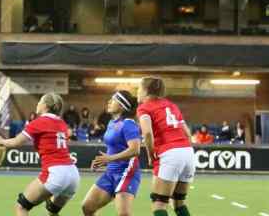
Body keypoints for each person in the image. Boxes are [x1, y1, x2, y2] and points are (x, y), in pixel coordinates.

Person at [0, 93, 79, 216]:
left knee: (21, 207)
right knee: (52, 211)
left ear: (45, 105)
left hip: (55, 172)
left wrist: (0, 141)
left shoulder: (38, 122)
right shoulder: (61, 123)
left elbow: (15, 142)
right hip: (73, 175)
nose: (38, 104)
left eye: (40, 101)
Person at [137, 76, 195, 216]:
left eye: (139, 88)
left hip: (170, 153)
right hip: (188, 152)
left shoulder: (144, 108)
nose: (137, 92)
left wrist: (151, 155)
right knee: (179, 202)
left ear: (145, 91)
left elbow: (148, 134)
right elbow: (187, 133)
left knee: (159, 203)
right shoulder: (172, 105)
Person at [82, 91, 141, 216]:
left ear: (121, 106)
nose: (109, 102)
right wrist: (103, 162)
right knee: (87, 207)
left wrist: (110, 159)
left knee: (123, 214)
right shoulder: (111, 123)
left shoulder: (128, 124)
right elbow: (115, 148)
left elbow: (135, 150)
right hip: (110, 173)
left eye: (113, 100)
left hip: (126, 173)